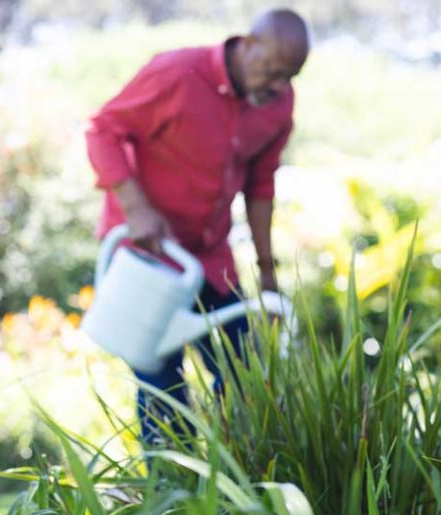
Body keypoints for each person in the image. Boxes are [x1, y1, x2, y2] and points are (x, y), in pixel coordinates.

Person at [85, 8, 310, 444]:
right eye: (272, 72)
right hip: (149, 253)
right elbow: (102, 130)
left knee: (247, 378)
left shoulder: (278, 105)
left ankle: (243, 493)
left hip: (210, 259)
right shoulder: (176, 74)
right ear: (247, 45)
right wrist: (135, 206)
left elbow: (261, 186)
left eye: (290, 77)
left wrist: (267, 271)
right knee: (162, 386)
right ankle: (171, 500)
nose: (280, 87)